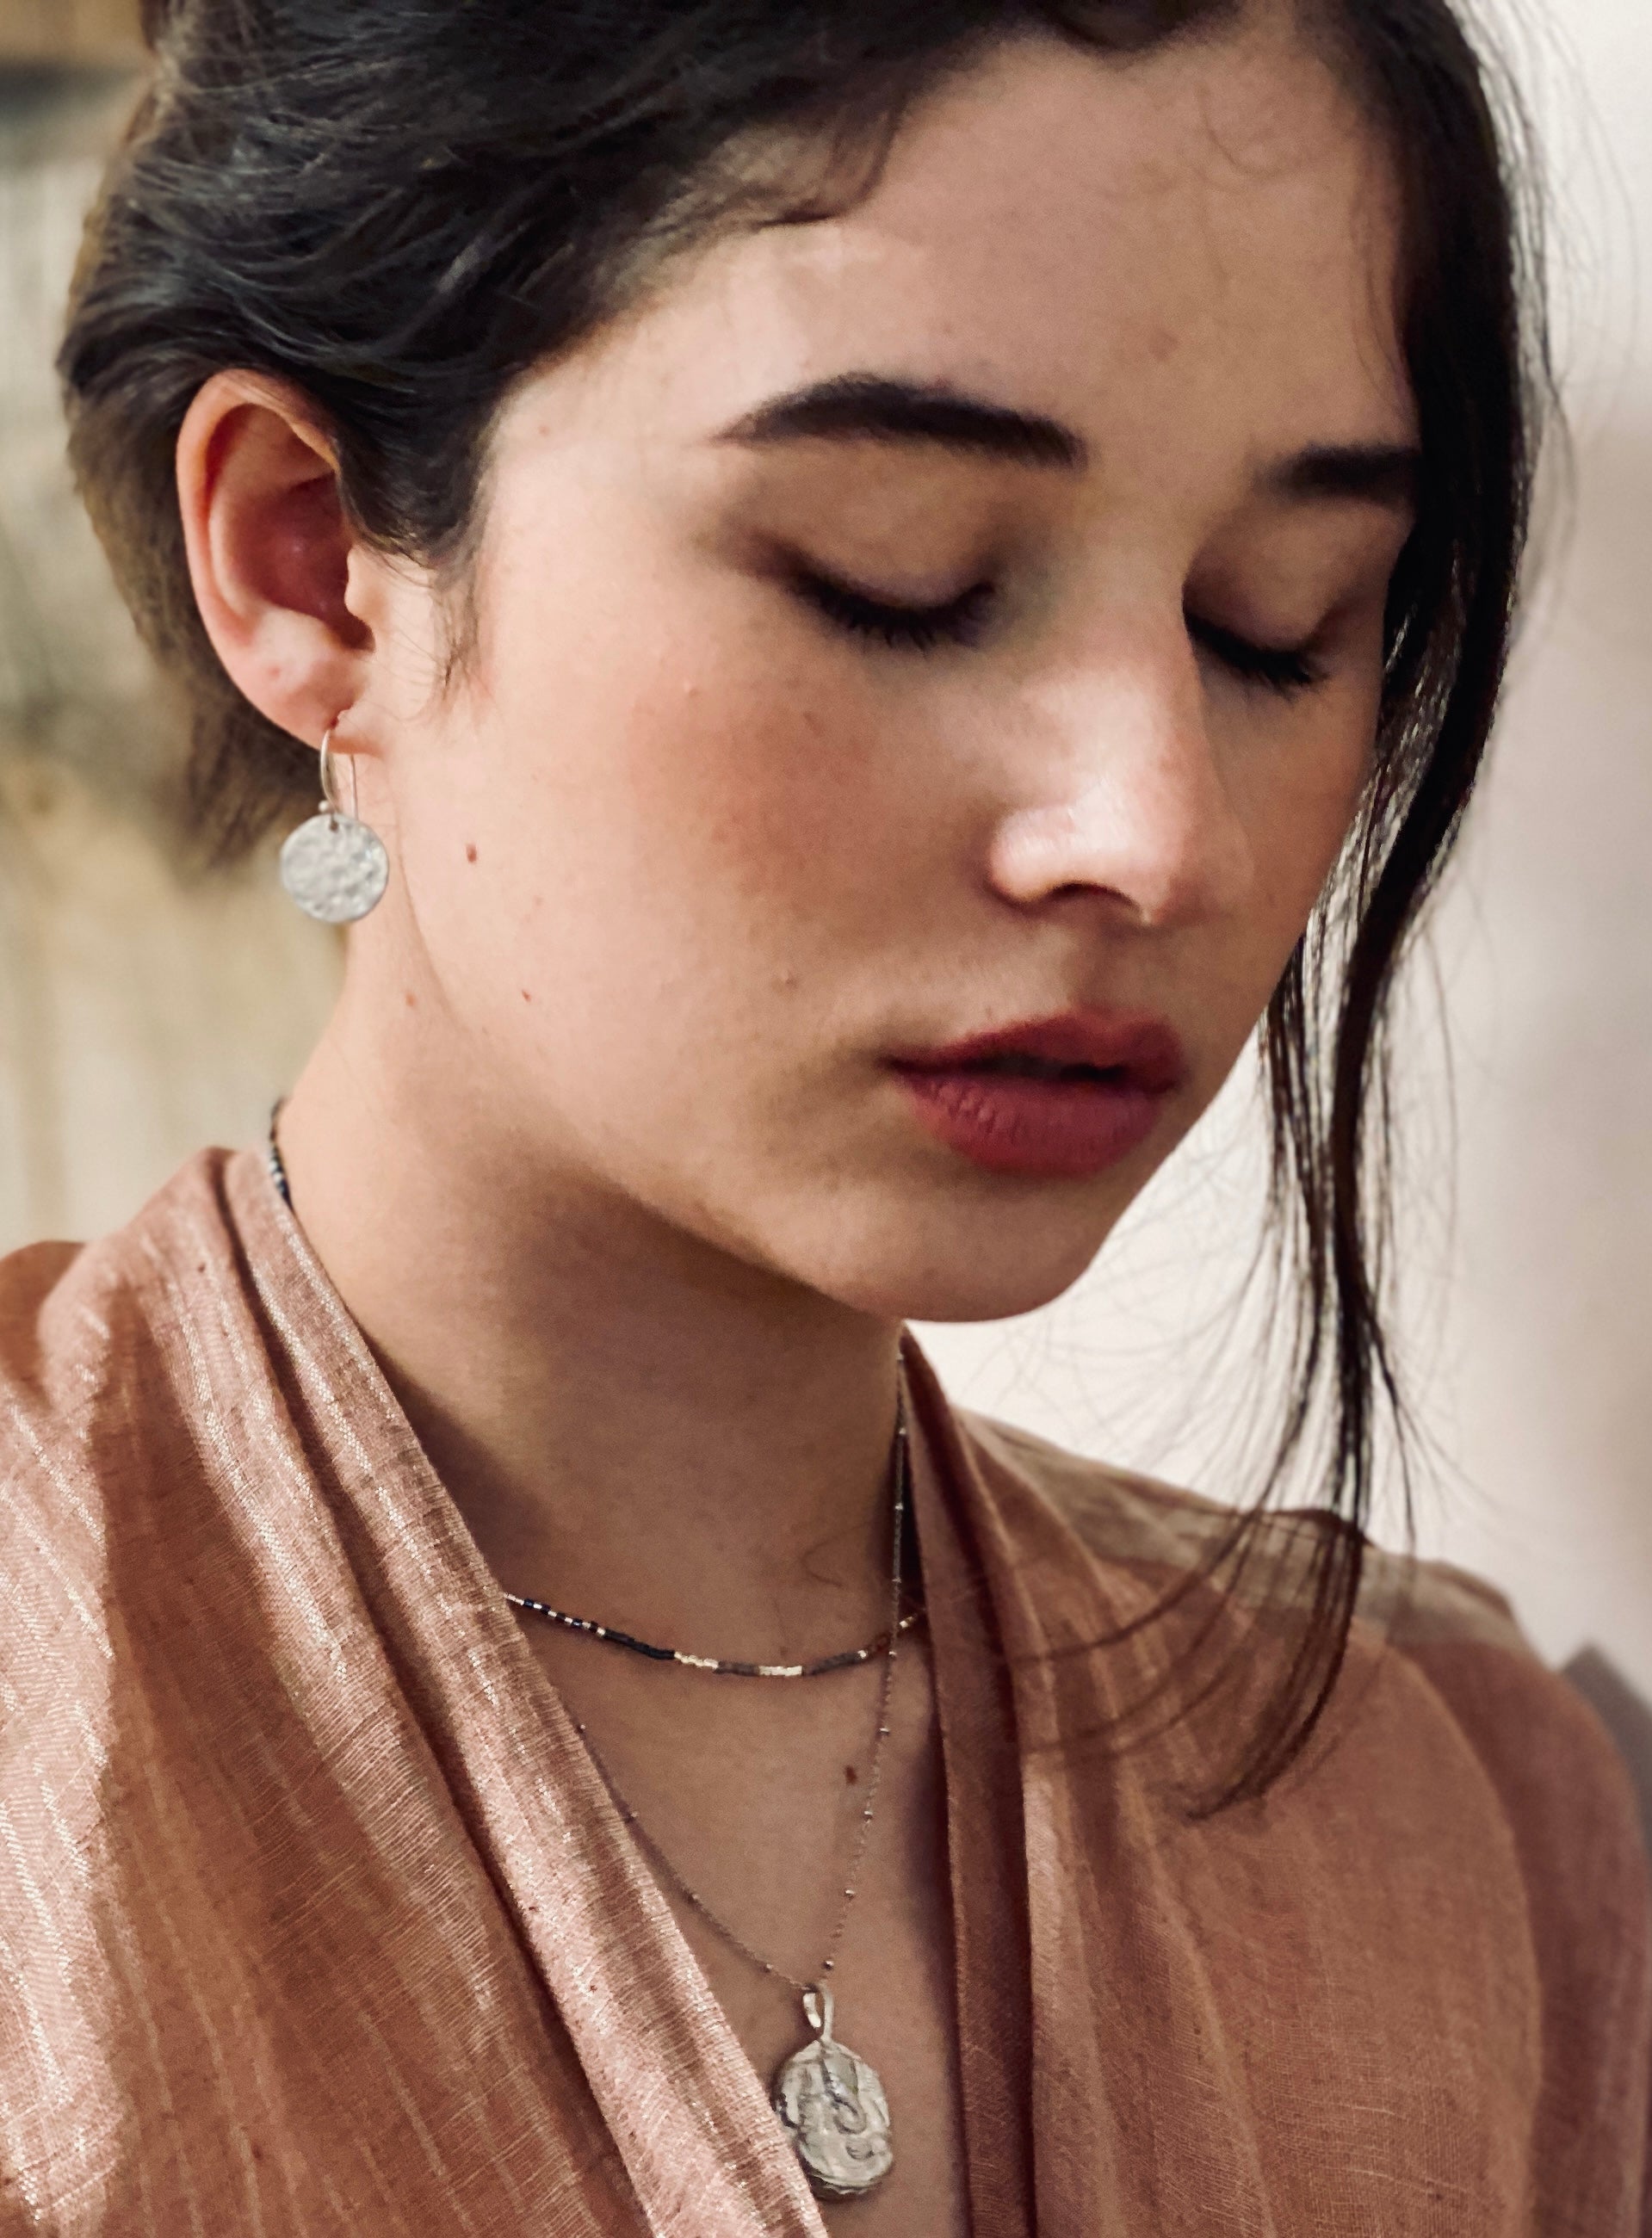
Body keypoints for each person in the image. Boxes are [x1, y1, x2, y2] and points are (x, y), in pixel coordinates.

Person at [2, 0, 1646, 2229]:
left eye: (1283, 622)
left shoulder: (1478, 1841)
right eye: (903, 569)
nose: (1149, 829)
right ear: (314, 562)